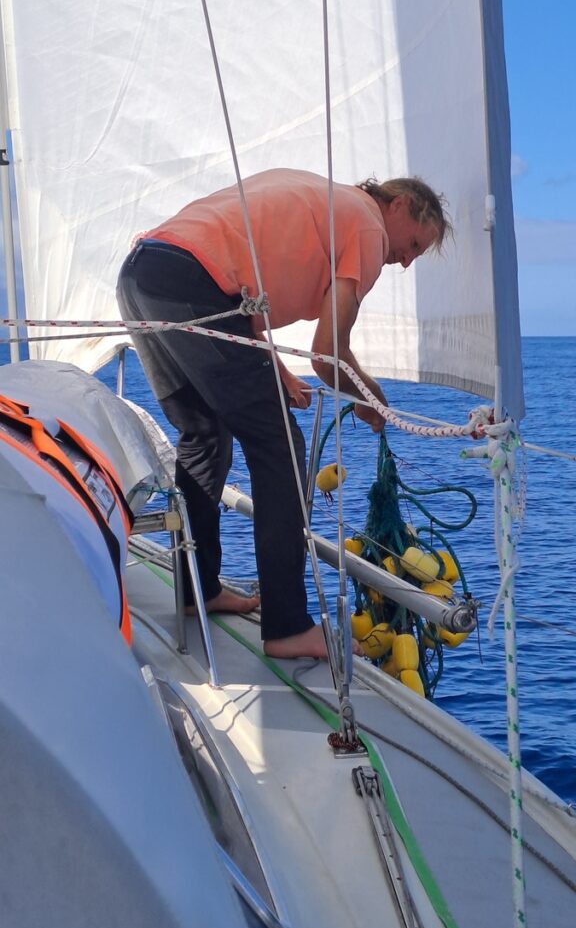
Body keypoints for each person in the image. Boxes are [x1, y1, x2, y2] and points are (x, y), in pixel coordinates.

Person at [116, 168, 451, 659]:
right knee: (281, 450)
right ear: (398, 204)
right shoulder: (368, 227)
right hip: (191, 285)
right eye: (415, 245)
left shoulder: (326, 200)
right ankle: (288, 626)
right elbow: (328, 354)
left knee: (204, 434)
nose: (404, 261)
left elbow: (238, 291)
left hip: (144, 274)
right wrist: (369, 396)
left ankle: (196, 589)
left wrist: (276, 371)